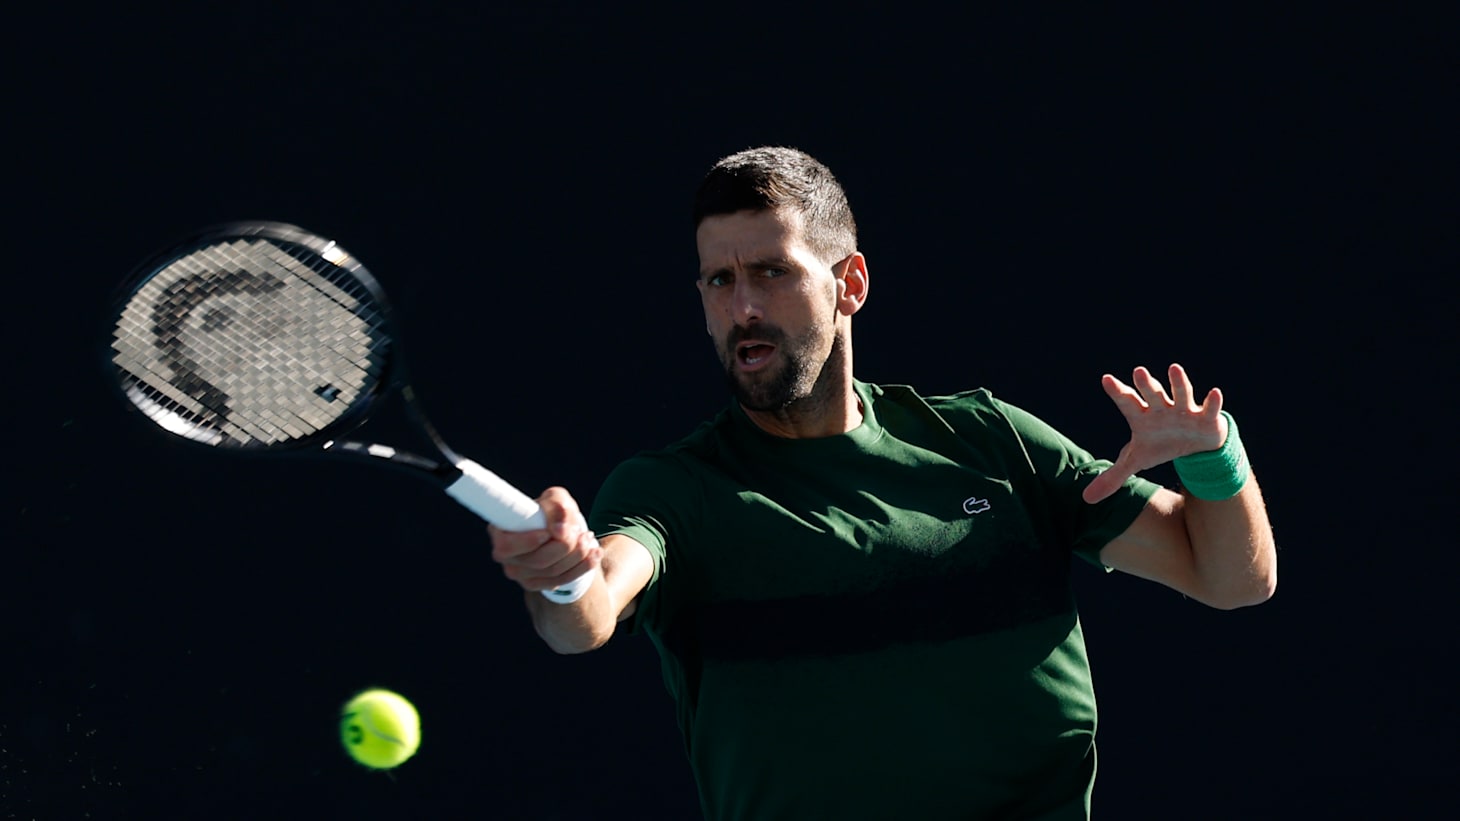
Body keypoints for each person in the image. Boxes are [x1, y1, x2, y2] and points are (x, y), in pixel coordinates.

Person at [488, 146, 1277, 820]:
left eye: (771, 271)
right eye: (719, 281)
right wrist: (563, 577)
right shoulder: (673, 490)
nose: (744, 307)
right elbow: (588, 611)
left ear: (850, 283)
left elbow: (1232, 578)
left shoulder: (992, 441)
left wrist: (1211, 456)